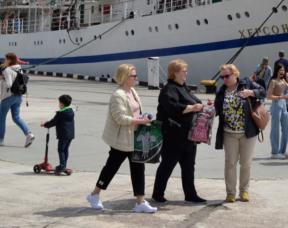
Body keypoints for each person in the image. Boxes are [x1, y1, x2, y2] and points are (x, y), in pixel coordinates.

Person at [88, 64, 157, 213]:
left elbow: (135, 113)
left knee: (138, 169)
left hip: (134, 138)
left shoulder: (132, 91)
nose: (136, 78)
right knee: (110, 169)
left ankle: (140, 202)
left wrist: (144, 118)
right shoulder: (117, 95)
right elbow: (120, 118)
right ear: (125, 78)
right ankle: (94, 195)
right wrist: (141, 121)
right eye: (134, 76)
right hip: (121, 140)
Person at [152, 59, 206, 204]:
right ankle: (158, 194)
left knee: (189, 166)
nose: (186, 74)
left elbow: (196, 101)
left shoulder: (184, 87)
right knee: (167, 165)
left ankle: (190, 194)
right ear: (175, 73)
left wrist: (201, 106)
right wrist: (192, 108)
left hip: (188, 136)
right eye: (184, 71)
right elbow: (172, 107)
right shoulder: (169, 89)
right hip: (173, 136)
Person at [215, 64, 265, 202]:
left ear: (235, 75)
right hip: (229, 133)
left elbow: (263, 91)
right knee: (230, 163)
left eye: (227, 76)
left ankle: (244, 191)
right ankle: (230, 192)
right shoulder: (221, 91)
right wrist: (209, 111)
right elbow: (216, 109)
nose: (224, 79)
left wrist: (250, 93)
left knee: (246, 163)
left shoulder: (246, 83)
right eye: (222, 77)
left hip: (247, 132)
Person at [0, 52, 35, 148]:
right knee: (16, 117)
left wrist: (1, 80)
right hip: (18, 97)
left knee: (2, 119)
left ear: (10, 60)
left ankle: (0, 139)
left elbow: (8, 84)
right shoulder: (20, 69)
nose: (4, 61)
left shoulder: (8, 70)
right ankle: (28, 134)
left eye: (5, 59)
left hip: (8, 97)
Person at [42, 94, 75, 175]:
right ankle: (64, 164)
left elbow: (53, 122)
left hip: (63, 135)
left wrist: (45, 124)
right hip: (70, 135)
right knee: (65, 150)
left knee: (60, 150)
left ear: (62, 104)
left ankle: (62, 165)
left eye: (59, 102)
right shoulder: (71, 112)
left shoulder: (60, 113)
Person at [266, 63, 288, 158]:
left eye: (283, 70)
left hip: (283, 104)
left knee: (287, 128)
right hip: (276, 104)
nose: (282, 72)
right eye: (280, 70)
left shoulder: (282, 80)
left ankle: (282, 150)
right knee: (275, 128)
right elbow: (268, 96)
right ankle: (274, 152)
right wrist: (281, 97)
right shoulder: (273, 81)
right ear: (276, 70)